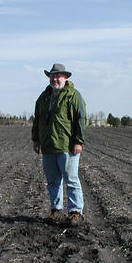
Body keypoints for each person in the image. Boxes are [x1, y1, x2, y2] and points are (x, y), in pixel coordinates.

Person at [32, 63, 86, 227]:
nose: (55, 79)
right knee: (53, 181)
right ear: (49, 77)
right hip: (48, 146)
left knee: (71, 180)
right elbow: (37, 120)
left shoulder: (73, 95)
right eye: (53, 76)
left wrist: (78, 140)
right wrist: (36, 139)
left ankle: (75, 212)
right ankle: (55, 210)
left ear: (66, 78)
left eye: (59, 76)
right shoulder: (43, 97)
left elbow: (80, 118)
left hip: (66, 145)